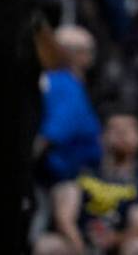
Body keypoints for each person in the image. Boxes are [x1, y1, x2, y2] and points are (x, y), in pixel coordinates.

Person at [34, 111, 138, 255]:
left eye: (128, 129)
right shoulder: (79, 172)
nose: (122, 134)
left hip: (120, 247)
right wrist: (79, 246)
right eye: (115, 129)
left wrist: (115, 240)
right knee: (48, 245)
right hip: (78, 243)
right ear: (102, 137)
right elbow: (64, 218)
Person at [34, 25, 102, 186]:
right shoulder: (64, 84)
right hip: (60, 178)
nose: (90, 57)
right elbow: (52, 134)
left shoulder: (72, 83)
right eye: (84, 50)